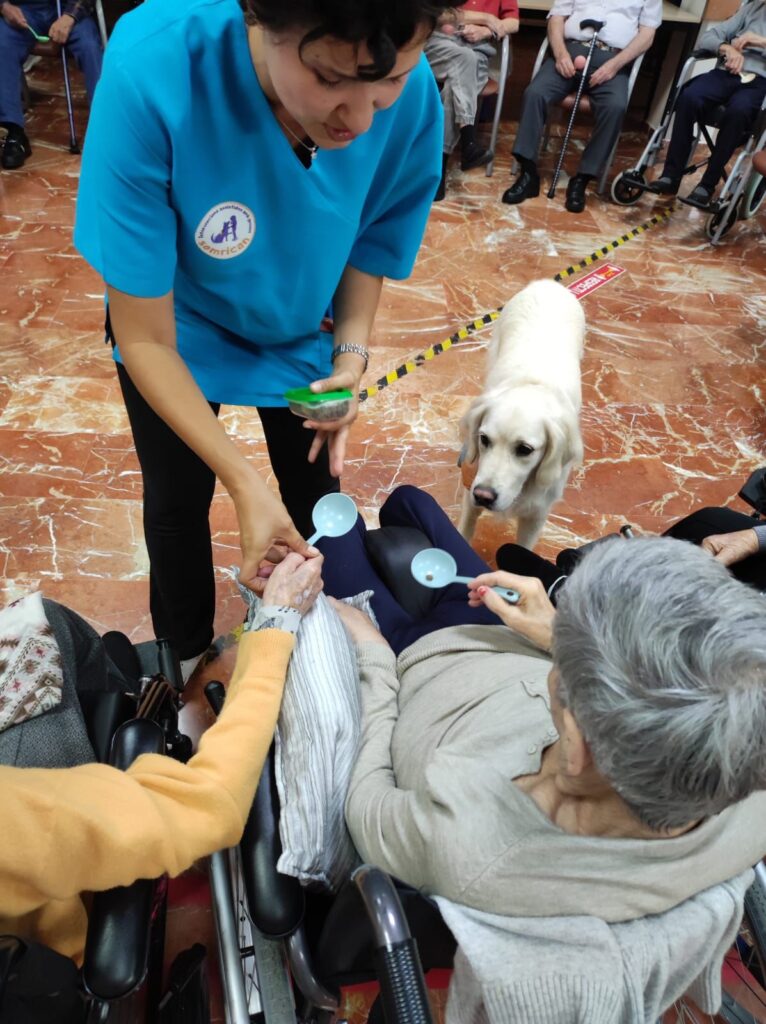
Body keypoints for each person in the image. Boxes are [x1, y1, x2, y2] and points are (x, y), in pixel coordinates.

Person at [74, 0, 451, 678]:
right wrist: (243, 482)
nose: (362, 119)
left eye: (386, 82)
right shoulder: (153, 70)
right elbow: (145, 338)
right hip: (174, 329)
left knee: (316, 503)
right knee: (176, 501)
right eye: (331, 79)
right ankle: (184, 662)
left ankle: (322, 654)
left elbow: (373, 234)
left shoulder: (406, 81)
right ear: (258, 16)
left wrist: (351, 354)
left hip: (303, 324)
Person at [318, 485, 766, 922]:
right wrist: (553, 628)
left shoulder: (464, 845)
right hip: (495, 634)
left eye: (567, 663)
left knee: (333, 526)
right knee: (408, 501)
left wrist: (369, 656)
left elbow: (365, 802)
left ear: (573, 742)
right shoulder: (748, 796)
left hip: (404, 664)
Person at [0, 551, 322, 974]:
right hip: (40, 943)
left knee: (37, 618)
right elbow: (209, 806)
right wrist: (273, 626)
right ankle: (135, 709)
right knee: (37, 627)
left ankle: (129, 695)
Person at [502, 0, 661, 213]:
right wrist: (560, 54)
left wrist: (614, 65)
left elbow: (647, 34)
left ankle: (582, 179)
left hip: (612, 58)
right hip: (571, 50)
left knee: (615, 107)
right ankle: (528, 173)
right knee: (535, 93)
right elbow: (557, 18)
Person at [649, 2, 766, 209]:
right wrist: (727, 48)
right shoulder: (754, 7)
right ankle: (671, 176)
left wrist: (761, 42)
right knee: (690, 96)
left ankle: (707, 185)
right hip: (727, 73)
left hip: (759, 81)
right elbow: (708, 37)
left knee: (738, 111)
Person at [425, 0, 519, 201]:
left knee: (456, 83)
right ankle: (467, 142)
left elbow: (513, 22)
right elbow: (439, 13)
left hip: (477, 52)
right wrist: (486, 18)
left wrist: (486, 31)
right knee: (463, 64)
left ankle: (439, 167)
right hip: (441, 43)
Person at [0, 0, 103, 169]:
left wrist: (70, 17)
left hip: (67, 8)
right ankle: (13, 131)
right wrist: (4, 7)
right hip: (23, 8)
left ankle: (105, 125)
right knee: (2, 43)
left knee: (89, 46)